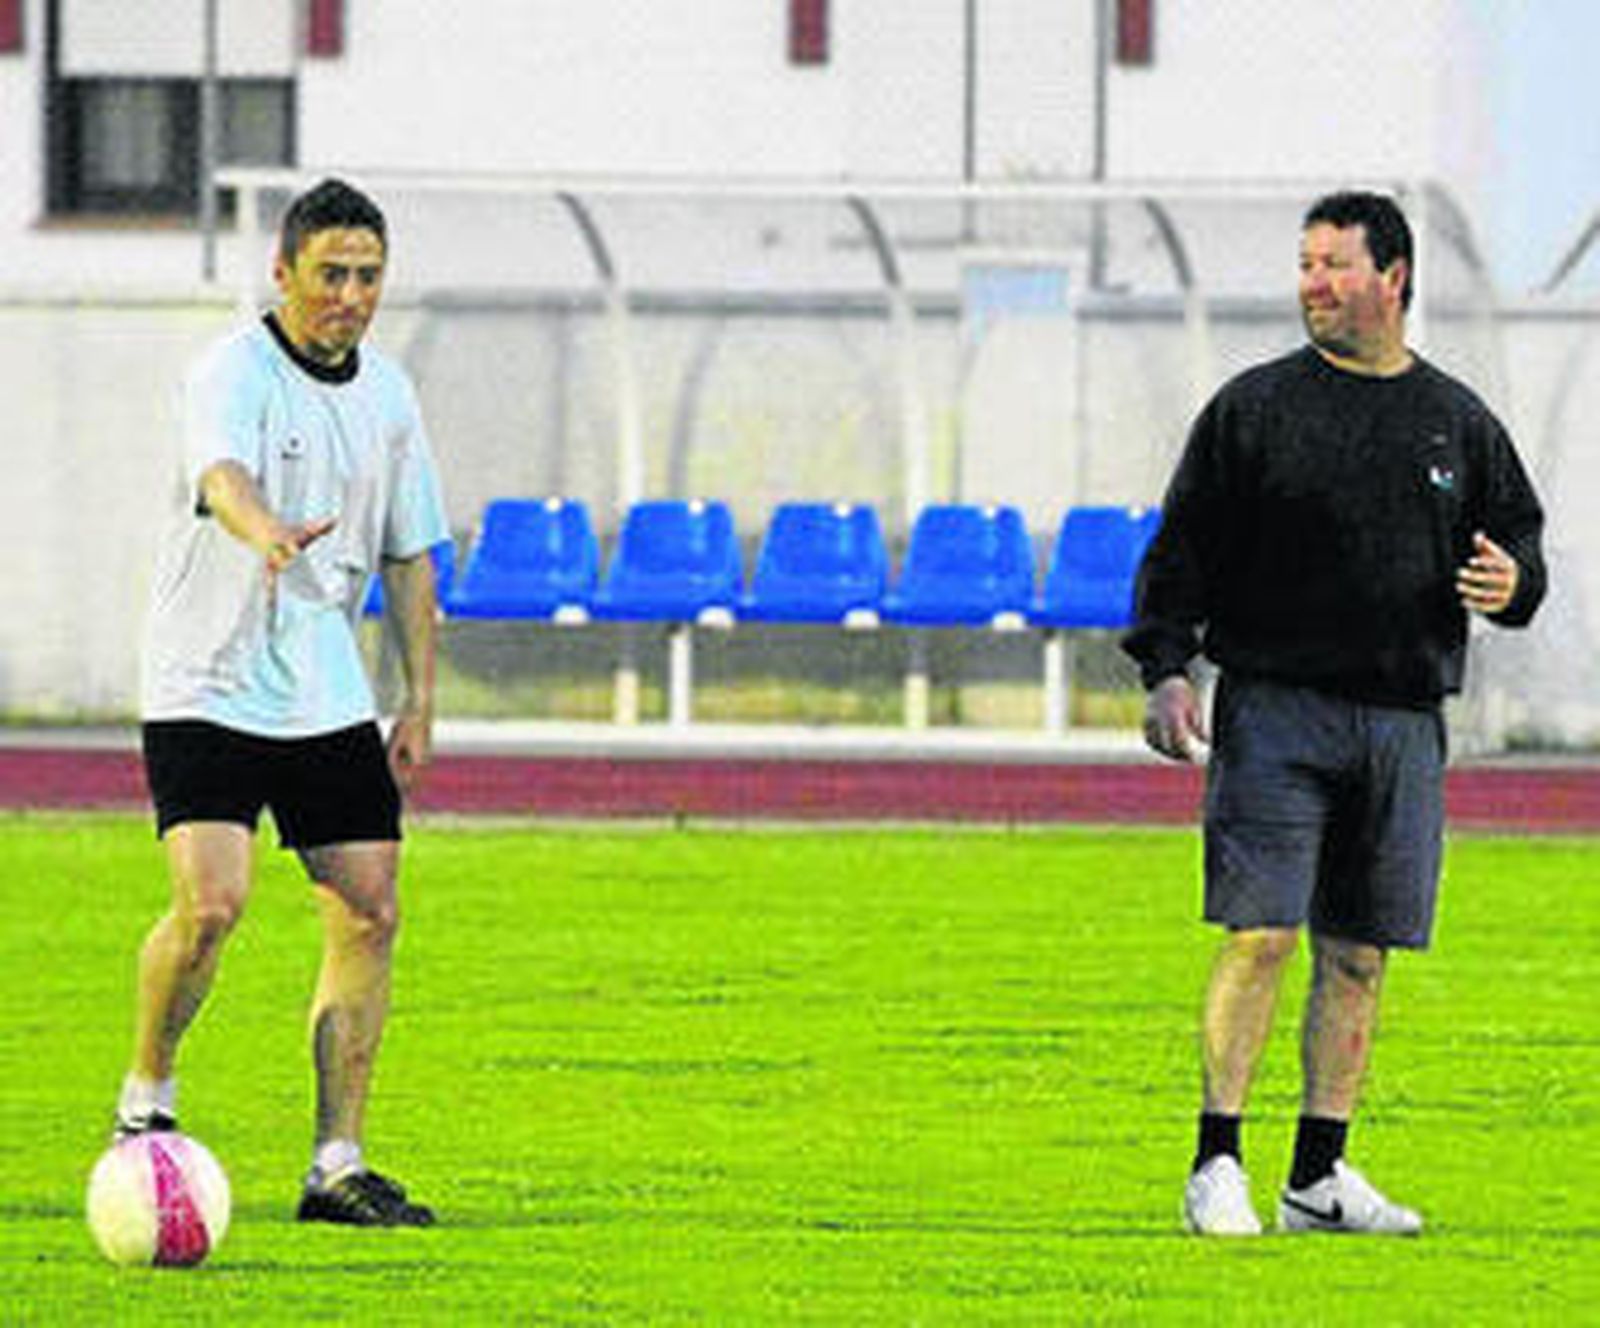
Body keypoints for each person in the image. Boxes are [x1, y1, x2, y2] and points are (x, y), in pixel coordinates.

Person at [1123, 191, 1546, 1237]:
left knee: (1358, 953)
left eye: (1333, 264)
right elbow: (1180, 554)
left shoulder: (1455, 419)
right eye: (1304, 264)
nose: (1312, 282)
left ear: (1392, 277)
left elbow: (1519, 547)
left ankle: (1319, 1175)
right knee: (1259, 933)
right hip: (1276, 709)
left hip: (1403, 720)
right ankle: (1214, 1160)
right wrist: (1166, 667)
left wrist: (1514, 581)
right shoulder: (1253, 409)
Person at [117, 178, 448, 1227]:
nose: (351, 295)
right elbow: (219, 476)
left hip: (323, 688)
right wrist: (262, 530)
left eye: (368, 275)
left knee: (370, 906)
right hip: (205, 678)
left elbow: (408, 551)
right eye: (331, 274)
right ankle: (146, 1101)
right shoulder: (231, 368)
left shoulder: (389, 395)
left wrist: (418, 697)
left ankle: (337, 1164)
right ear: (284, 272)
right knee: (211, 904)